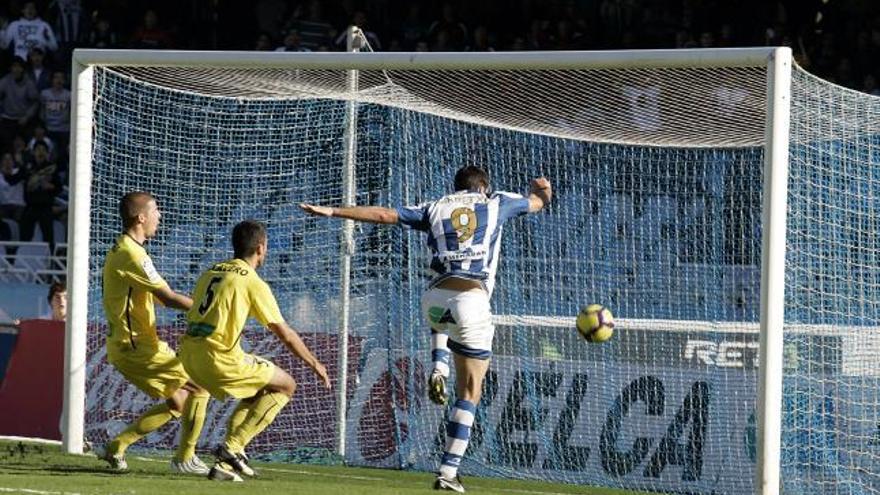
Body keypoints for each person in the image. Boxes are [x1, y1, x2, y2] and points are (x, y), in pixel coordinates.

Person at [301, 166, 552, 492]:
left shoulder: (434, 207)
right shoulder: (498, 202)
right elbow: (537, 202)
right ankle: (448, 472)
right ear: (484, 188)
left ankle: (439, 365)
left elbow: (382, 214)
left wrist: (334, 211)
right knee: (470, 392)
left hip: (434, 298)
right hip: (472, 298)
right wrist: (543, 189)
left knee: (446, 321)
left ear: (457, 187)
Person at [179, 219, 331, 482]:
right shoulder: (252, 281)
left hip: (189, 356)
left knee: (259, 387)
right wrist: (315, 363)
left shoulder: (211, 271)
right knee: (286, 385)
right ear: (261, 248)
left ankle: (226, 464)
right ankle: (233, 446)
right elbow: (285, 334)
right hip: (219, 359)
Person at [98, 191, 210, 475]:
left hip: (135, 344)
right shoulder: (131, 255)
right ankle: (185, 458)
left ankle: (117, 446)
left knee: (178, 401)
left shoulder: (130, 250)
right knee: (200, 387)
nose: (160, 216)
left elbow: (160, 297)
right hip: (135, 347)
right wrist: (206, 311)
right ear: (141, 217)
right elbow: (169, 298)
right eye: (156, 211)